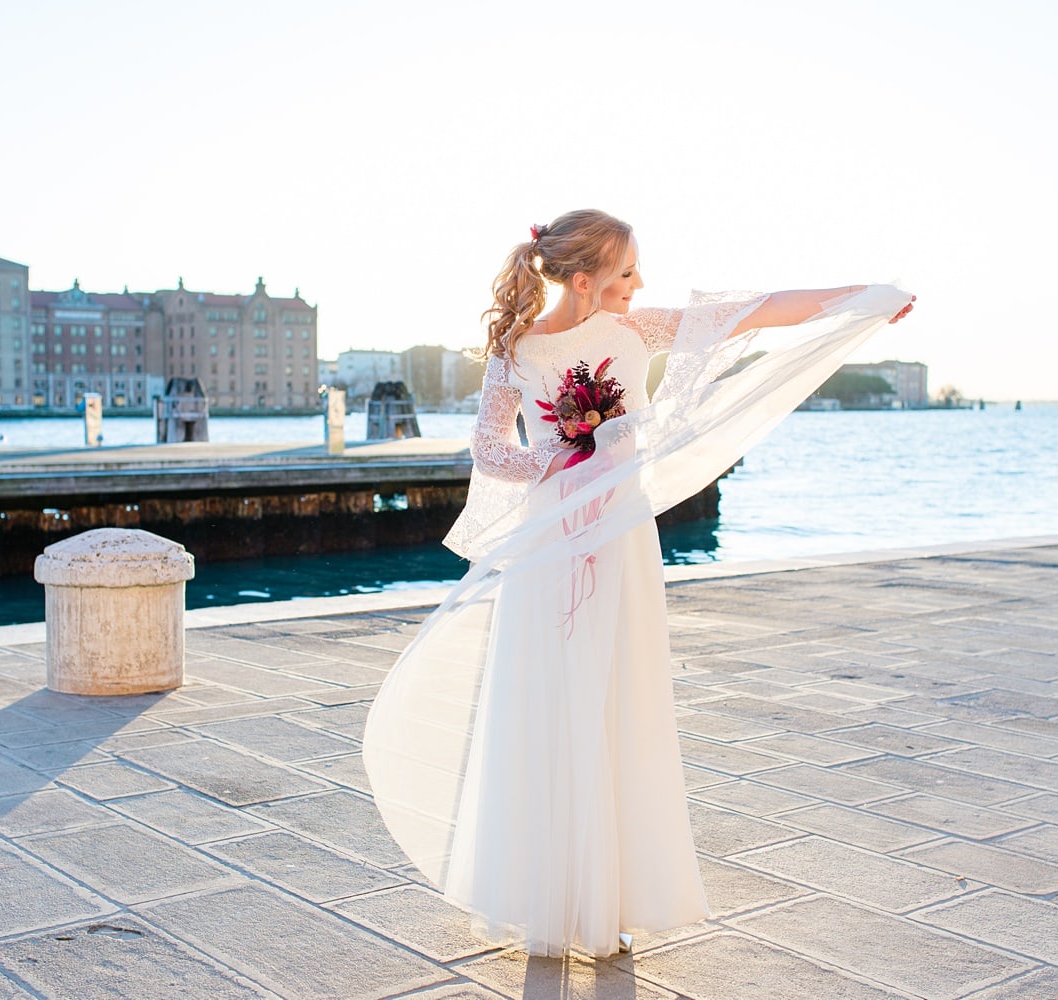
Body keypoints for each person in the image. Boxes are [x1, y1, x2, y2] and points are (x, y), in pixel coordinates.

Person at [363, 209, 913, 959]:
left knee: (618, 701)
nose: (641, 283)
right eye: (627, 272)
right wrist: (554, 459)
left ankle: (606, 898)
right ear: (584, 281)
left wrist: (864, 295)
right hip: (551, 544)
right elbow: (489, 447)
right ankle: (549, 900)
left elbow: (753, 312)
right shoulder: (514, 348)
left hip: (620, 540)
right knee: (550, 705)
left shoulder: (635, 331)